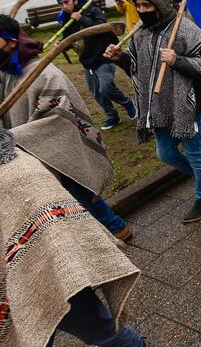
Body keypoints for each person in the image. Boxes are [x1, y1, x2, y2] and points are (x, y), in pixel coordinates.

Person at [0, 131, 150, 347]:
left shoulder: (12, 176)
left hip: (47, 254)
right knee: (26, 337)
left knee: (70, 326)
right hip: (23, 263)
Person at [103, 0, 201, 224]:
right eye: (138, 5)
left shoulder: (185, 29)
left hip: (189, 104)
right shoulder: (139, 33)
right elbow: (140, 69)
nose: (141, 10)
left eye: (147, 5)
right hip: (159, 106)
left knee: (195, 152)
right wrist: (120, 58)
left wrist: (178, 60)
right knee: (165, 153)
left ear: (160, 4)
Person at [0, 14, 132, 241]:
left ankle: (116, 228)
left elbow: (58, 120)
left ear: (11, 42)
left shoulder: (45, 74)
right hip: (29, 153)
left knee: (76, 185)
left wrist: (12, 137)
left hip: (59, 148)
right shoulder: (6, 71)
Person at [55, 0, 136, 131]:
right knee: (96, 93)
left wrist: (82, 19)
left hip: (104, 55)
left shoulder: (92, 9)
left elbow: (103, 27)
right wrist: (62, 45)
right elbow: (70, 39)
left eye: (66, 2)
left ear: (74, 0)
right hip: (87, 60)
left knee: (105, 87)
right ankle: (112, 116)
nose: (64, 6)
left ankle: (127, 103)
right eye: (60, 4)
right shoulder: (66, 18)